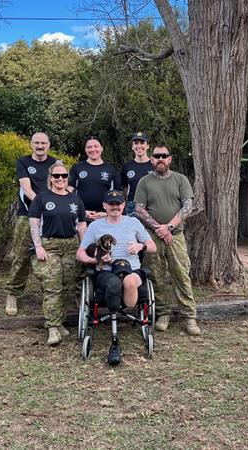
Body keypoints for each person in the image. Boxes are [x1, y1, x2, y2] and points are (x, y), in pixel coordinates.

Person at [76, 190, 157, 366]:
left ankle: (129, 306)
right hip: (106, 271)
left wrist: (140, 246)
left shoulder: (133, 222)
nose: (115, 207)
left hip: (132, 269)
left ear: (123, 205)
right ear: (104, 206)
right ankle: (114, 340)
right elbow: (80, 254)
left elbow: (152, 247)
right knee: (113, 284)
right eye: (111, 204)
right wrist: (96, 259)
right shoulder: (96, 226)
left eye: (118, 204)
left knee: (128, 281)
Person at [134, 144, 200, 336]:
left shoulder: (180, 180)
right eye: (157, 156)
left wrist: (169, 227)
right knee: (156, 275)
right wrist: (158, 228)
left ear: (170, 159)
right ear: (152, 159)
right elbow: (139, 208)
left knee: (181, 274)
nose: (160, 158)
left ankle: (189, 316)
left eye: (164, 155)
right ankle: (163, 313)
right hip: (152, 237)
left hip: (175, 236)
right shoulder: (144, 182)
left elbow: (188, 206)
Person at [28, 160, 87, 346]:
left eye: (63, 176)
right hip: (49, 245)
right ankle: (53, 327)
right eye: (56, 176)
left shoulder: (75, 199)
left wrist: (83, 246)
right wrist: (38, 246)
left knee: (67, 285)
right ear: (50, 178)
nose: (60, 179)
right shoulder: (42, 198)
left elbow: (81, 224)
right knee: (52, 286)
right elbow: (34, 223)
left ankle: (60, 321)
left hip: (70, 245)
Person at [4, 132, 57, 316]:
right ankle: (12, 293)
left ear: (48, 145)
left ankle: (50, 294)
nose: (40, 146)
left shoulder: (55, 164)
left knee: (50, 255)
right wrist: (42, 205)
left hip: (50, 218)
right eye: (37, 143)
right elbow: (26, 188)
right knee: (21, 256)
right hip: (27, 216)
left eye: (43, 143)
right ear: (31, 144)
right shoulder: (23, 162)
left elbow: (59, 186)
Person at [69, 135, 122, 222]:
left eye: (96, 146)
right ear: (85, 149)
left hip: (105, 217)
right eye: (89, 147)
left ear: (101, 148)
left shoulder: (111, 169)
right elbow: (68, 193)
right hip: (82, 217)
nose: (93, 149)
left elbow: (119, 197)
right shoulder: (77, 168)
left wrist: (107, 213)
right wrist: (82, 212)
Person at [120, 132, 154, 217]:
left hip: (152, 205)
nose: (139, 146)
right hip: (132, 206)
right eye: (136, 143)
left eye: (142, 143)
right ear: (132, 147)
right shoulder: (127, 167)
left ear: (147, 146)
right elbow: (124, 188)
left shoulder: (154, 165)